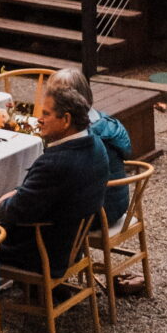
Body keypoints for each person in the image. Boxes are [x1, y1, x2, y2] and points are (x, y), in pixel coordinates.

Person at [0, 77, 109, 277]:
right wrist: (17, 192)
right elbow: (41, 195)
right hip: (72, 244)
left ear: (66, 120)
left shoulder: (56, 164)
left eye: (46, 114)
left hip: (41, 253)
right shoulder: (96, 145)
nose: (39, 119)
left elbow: (17, 211)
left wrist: (0, 206)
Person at [48, 65, 133, 228]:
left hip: (98, 211)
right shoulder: (101, 119)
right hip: (118, 202)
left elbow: (62, 176)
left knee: (36, 215)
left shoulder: (81, 136)